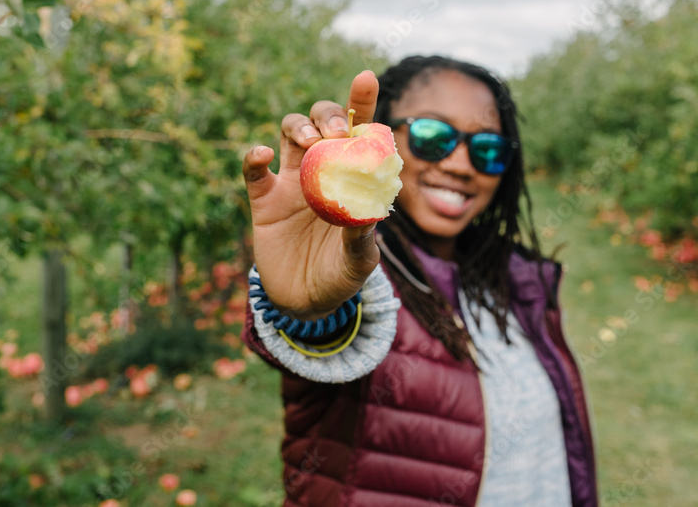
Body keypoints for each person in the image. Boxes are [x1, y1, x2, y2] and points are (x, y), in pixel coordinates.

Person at [241, 55, 597, 506]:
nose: (462, 164)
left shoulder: (517, 281)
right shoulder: (361, 279)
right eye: (434, 137)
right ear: (385, 140)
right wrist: (303, 308)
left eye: (488, 148)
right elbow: (332, 333)